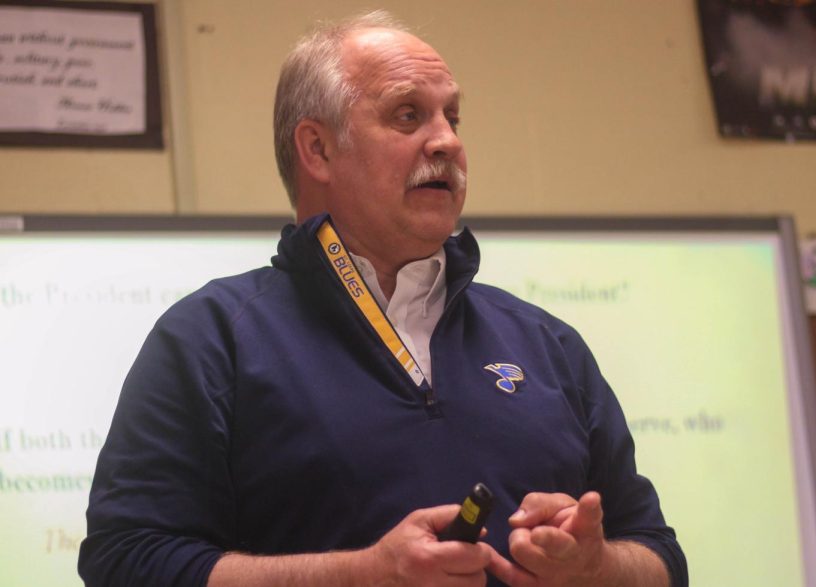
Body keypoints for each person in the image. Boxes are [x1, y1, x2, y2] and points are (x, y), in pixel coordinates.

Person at [78, 11, 687, 587]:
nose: (447, 141)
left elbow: (660, 556)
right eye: (407, 116)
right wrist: (359, 574)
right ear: (316, 150)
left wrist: (595, 565)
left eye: (453, 116)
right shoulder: (210, 338)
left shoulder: (547, 342)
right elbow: (125, 561)